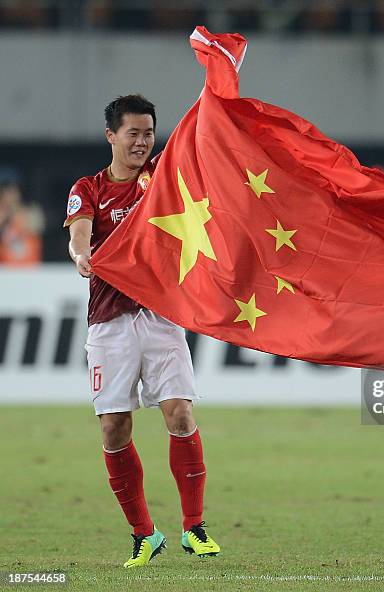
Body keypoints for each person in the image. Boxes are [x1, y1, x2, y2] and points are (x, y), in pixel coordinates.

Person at [64, 94, 220, 568]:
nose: (141, 142)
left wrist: (214, 94)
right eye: (132, 133)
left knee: (179, 414)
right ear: (111, 135)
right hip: (108, 323)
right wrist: (80, 254)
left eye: (148, 133)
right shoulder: (88, 188)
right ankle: (143, 534)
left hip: (159, 315)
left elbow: (201, 141)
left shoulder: (162, 177)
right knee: (114, 426)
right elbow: (79, 235)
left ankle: (194, 528)